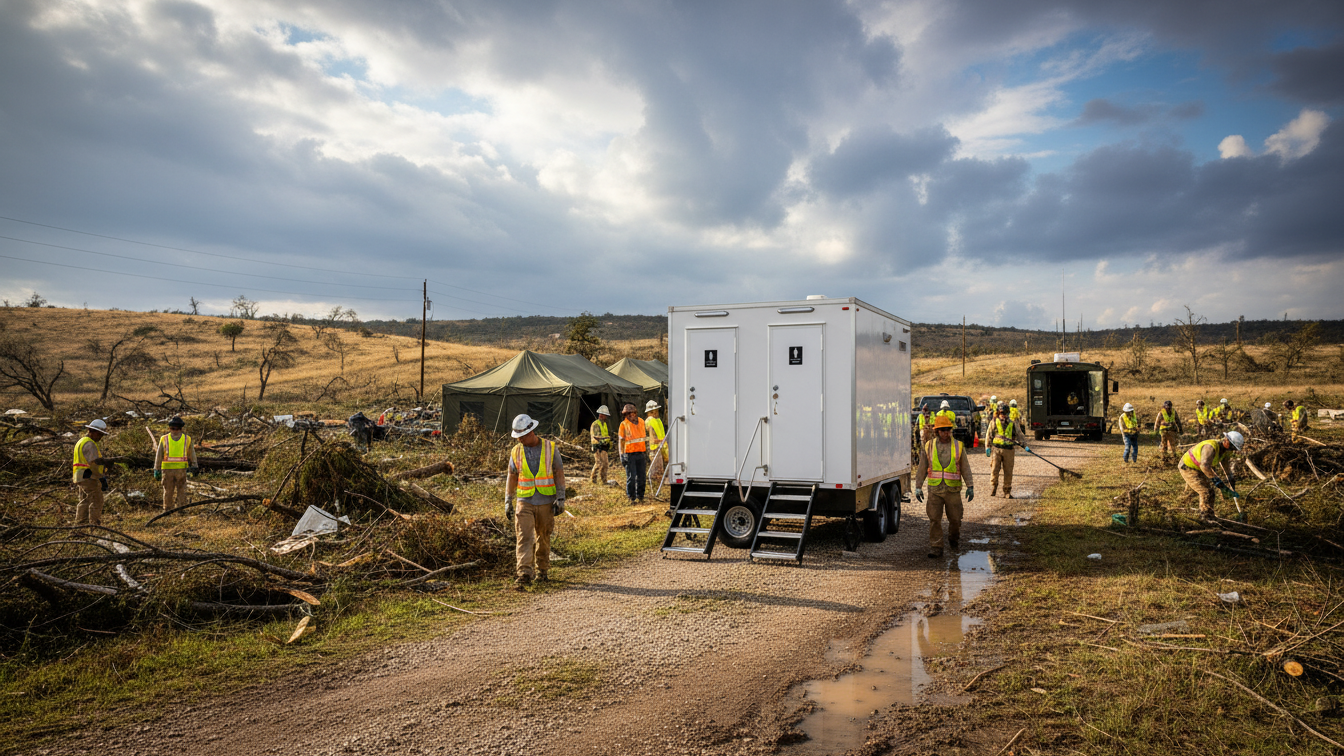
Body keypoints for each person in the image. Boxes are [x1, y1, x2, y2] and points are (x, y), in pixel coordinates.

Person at [503, 413, 565, 589]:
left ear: (532, 431)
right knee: (524, 536)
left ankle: (542, 570)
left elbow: (559, 472)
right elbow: (511, 475)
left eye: (522, 436)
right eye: (517, 437)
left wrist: (561, 497)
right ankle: (524, 573)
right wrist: (508, 499)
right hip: (525, 500)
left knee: (543, 537)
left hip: (546, 500)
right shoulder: (516, 451)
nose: (520, 440)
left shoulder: (550, 447)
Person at [914, 416, 974, 558]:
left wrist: (970, 485)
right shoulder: (929, 446)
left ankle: (953, 539)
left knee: (955, 519)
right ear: (937, 431)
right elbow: (922, 467)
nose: (946, 433)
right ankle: (936, 547)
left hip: (952, 491)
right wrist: (918, 486)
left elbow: (965, 467)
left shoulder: (958, 446)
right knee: (934, 519)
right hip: (935, 491)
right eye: (943, 430)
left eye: (948, 430)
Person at [1179, 431, 1244, 520]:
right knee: (1206, 492)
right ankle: (1205, 517)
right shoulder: (1210, 447)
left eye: (1234, 448)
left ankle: (1205, 513)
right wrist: (1216, 480)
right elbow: (1204, 466)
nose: (1232, 450)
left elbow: (1226, 466)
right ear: (1226, 440)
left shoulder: (1226, 451)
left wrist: (1230, 478)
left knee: (1203, 492)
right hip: (1188, 466)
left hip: (1199, 467)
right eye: (1232, 446)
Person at [153, 416, 199, 513]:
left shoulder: (184, 439)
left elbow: (192, 454)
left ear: (180, 429)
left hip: (177, 470)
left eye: (176, 428)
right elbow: (159, 455)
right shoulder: (185, 439)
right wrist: (156, 469)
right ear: (170, 428)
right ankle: (174, 509)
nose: (175, 431)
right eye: (173, 428)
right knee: (174, 491)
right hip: (173, 470)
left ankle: (172, 509)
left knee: (175, 491)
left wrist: (194, 466)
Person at [73, 419, 110, 526]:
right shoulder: (90, 444)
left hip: (79, 476)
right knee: (97, 501)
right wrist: (101, 478)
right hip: (89, 477)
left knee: (84, 501)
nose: (100, 437)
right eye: (100, 434)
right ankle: (94, 526)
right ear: (92, 431)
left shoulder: (81, 441)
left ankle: (79, 526)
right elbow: (94, 464)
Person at [986, 404, 1027, 498]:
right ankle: (994, 486)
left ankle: (1007, 491)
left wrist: (1024, 445)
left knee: (1008, 471)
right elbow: (989, 435)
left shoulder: (1012, 423)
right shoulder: (994, 422)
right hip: (996, 449)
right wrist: (987, 447)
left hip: (1009, 450)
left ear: (1008, 413)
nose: (1003, 415)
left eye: (1004, 413)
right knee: (994, 469)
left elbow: (1019, 434)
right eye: (1001, 413)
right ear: (998, 412)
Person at [618, 404, 647, 504]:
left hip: (641, 453)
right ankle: (631, 497)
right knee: (631, 477)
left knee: (642, 476)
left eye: (632, 413)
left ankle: (641, 496)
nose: (631, 416)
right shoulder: (623, 424)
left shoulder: (642, 422)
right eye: (628, 414)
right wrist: (622, 455)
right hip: (629, 455)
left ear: (635, 413)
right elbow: (621, 441)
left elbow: (643, 437)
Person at [644, 400, 667, 489]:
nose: (655, 413)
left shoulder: (657, 421)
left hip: (659, 447)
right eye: (653, 412)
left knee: (659, 468)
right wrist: (662, 440)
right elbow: (653, 440)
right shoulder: (650, 422)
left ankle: (654, 483)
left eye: (656, 411)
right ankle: (652, 484)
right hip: (654, 448)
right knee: (656, 470)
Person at [589, 405, 613, 485]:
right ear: (600, 414)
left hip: (604, 447)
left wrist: (608, 440)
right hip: (597, 447)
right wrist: (607, 438)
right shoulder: (596, 424)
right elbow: (597, 437)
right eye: (603, 415)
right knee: (598, 463)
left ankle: (604, 481)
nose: (604, 416)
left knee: (605, 464)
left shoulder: (604, 424)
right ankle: (593, 480)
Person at [1154, 400, 1183, 464]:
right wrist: (1155, 431)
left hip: (1172, 430)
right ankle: (1164, 458)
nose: (1169, 409)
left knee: (1173, 445)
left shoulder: (1173, 412)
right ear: (1164, 407)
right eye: (1167, 407)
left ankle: (1174, 458)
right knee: (1164, 445)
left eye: (1170, 407)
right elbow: (1157, 422)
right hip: (1164, 431)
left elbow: (1177, 420)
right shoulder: (1161, 413)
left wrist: (1180, 429)